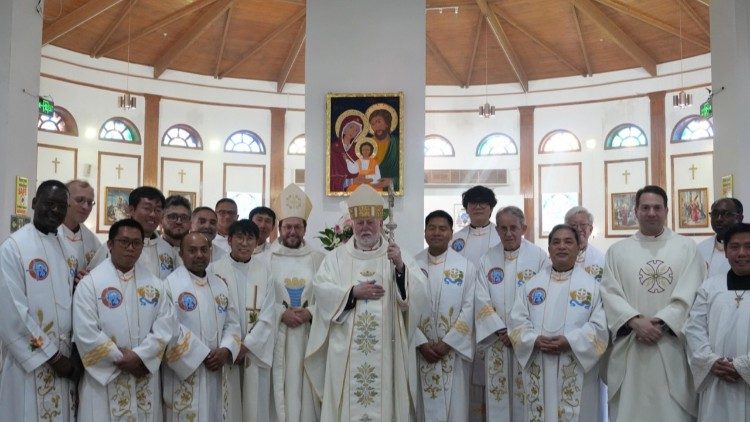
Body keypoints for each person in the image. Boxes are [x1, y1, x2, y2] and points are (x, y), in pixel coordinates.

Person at [304, 184, 426, 421]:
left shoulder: (395, 255)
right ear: (352, 225)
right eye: (360, 223)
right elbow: (322, 290)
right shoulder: (335, 259)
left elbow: (419, 294)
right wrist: (352, 293)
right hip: (346, 352)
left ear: (381, 223)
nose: (365, 228)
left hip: (388, 352)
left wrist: (400, 268)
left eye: (371, 222)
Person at [600, 185, 705, 421]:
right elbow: (610, 293)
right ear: (635, 211)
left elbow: (692, 292)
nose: (651, 213)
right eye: (645, 207)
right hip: (631, 347)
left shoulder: (687, 248)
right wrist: (635, 321)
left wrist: (660, 322)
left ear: (666, 210)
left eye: (657, 208)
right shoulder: (617, 251)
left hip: (671, 346)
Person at [72, 218, 176, 421]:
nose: (130, 248)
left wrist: (139, 357)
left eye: (137, 243)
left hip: (142, 375)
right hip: (103, 382)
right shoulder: (90, 284)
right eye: (124, 242)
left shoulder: (156, 285)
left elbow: (165, 326)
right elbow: (85, 331)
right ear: (110, 245)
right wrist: (121, 358)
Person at [508, 224, 608, 422]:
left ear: (579, 248)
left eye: (568, 242)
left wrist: (571, 341)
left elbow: (600, 327)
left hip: (576, 366)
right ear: (549, 249)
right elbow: (517, 322)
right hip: (539, 361)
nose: (562, 246)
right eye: (556, 242)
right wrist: (533, 340)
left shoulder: (594, 288)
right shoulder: (530, 286)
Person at [0, 180, 81, 420]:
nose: (55, 210)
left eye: (61, 206)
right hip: (30, 362)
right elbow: (11, 312)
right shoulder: (14, 247)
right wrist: (53, 357)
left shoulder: (69, 249)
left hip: (65, 359)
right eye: (49, 203)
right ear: (34, 203)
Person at [475, 205, 548, 422]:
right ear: (496, 230)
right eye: (503, 228)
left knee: (526, 396)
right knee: (498, 398)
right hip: (497, 341)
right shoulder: (487, 259)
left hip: (526, 341)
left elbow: (542, 297)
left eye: (513, 228)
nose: (508, 233)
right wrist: (499, 329)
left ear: (523, 228)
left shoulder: (539, 258)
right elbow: (480, 298)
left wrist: (517, 332)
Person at [413, 210, 486, 422]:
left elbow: (470, 308)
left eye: (442, 228)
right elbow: (404, 307)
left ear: (451, 233)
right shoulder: (411, 265)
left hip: (452, 354)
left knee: (455, 410)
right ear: (425, 232)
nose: (437, 233)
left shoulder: (465, 267)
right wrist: (420, 341)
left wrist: (449, 342)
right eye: (432, 228)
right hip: (420, 352)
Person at [262, 184, 326, 421]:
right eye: (287, 226)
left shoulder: (320, 259)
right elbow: (259, 299)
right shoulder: (264, 259)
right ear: (279, 229)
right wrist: (281, 314)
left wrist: (311, 312)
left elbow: (330, 298)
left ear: (305, 229)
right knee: (278, 390)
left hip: (309, 335)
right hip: (277, 336)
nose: (292, 231)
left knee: (305, 392)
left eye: (297, 227)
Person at [162, 232, 242, 421]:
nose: (199, 255)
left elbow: (232, 323)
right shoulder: (170, 285)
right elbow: (167, 327)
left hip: (217, 370)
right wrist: (201, 353)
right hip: (187, 371)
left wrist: (226, 349)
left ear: (210, 253)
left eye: (204, 250)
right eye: (192, 250)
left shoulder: (220, 285)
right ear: (181, 254)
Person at [685, 222, 750, 421]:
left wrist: (743, 366)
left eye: (748, 247)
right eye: (734, 247)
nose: (741, 253)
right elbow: (694, 329)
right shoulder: (710, 287)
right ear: (726, 252)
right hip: (716, 382)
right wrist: (710, 361)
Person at [213, 219, 275, 422]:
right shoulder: (213, 270)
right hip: (223, 351)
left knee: (253, 408)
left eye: (250, 238)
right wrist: (229, 347)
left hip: (253, 353)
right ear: (229, 240)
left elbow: (268, 315)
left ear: (257, 243)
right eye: (239, 237)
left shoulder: (265, 271)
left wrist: (245, 346)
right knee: (226, 406)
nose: (244, 243)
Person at [88, 186, 178, 279]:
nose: (153, 214)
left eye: (158, 210)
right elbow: (94, 281)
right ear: (131, 210)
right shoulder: (112, 247)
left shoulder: (168, 250)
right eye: (147, 208)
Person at [450, 185, 500, 267]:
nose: (478, 207)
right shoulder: (454, 239)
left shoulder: (501, 236)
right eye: (473, 203)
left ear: (491, 208)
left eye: (482, 203)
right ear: (466, 209)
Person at [58, 179, 101, 273]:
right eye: (79, 200)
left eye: (90, 202)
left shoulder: (93, 242)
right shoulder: (50, 234)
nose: (86, 207)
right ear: (65, 200)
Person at [697, 198, 744, 277]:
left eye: (726, 214)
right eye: (715, 214)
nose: (719, 219)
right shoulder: (700, 249)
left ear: (739, 218)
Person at [565, 206, 605, 282]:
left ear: (590, 229)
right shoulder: (557, 257)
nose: (579, 229)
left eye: (583, 225)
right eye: (573, 225)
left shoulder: (601, 259)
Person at [367, 105, 400, 190]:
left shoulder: (397, 144)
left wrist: (391, 181)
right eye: (373, 124)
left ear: (387, 123)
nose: (376, 126)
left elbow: (409, 173)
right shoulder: (366, 144)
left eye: (379, 122)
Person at [329, 113, 364, 192]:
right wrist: (351, 181)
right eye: (351, 127)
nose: (353, 131)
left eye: (356, 130)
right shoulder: (334, 149)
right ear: (344, 128)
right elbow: (331, 178)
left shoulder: (356, 150)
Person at [161, 195, 192, 262]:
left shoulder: (197, 252)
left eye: (184, 217)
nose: (179, 221)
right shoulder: (148, 249)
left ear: (190, 223)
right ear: (161, 220)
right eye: (172, 217)